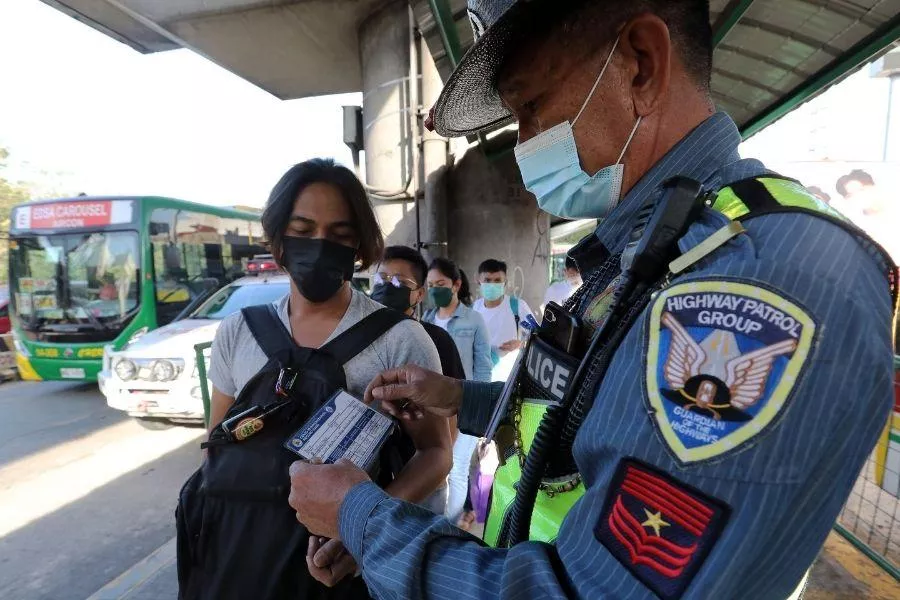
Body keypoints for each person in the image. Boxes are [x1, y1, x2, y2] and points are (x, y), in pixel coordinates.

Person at [287, 2, 896, 599]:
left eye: (530, 107)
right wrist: (458, 398)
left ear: (640, 64)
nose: (523, 146)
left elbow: (595, 589)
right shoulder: (658, 247)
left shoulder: (759, 280)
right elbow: (589, 411)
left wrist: (361, 517)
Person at [202, 158, 451, 595]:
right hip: (249, 558)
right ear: (278, 239)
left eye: (339, 235)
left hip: (349, 567)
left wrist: (365, 527)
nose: (319, 246)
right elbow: (216, 443)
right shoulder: (237, 332)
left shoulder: (401, 340)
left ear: (358, 246)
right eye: (302, 231)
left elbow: (435, 452)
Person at [370, 245, 467, 514]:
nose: (389, 286)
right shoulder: (358, 339)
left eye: (401, 281)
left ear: (420, 294)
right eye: (383, 278)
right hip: (368, 481)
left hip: (420, 479)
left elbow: (452, 414)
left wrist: (439, 465)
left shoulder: (435, 341)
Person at [422, 257, 492, 523]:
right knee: (438, 471)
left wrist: (481, 409)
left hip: (464, 405)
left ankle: (449, 528)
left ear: (456, 284)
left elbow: (483, 367)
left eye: (440, 283)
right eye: (430, 285)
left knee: (457, 468)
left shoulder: (474, 320)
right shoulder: (426, 319)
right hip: (434, 409)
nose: (435, 289)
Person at [472, 259, 534, 363]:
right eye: (487, 280)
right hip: (480, 370)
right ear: (478, 280)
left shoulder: (517, 306)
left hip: (508, 371)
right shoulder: (474, 308)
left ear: (505, 282)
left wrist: (521, 344)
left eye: (497, 280)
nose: (492, 284)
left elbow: (537, 337)